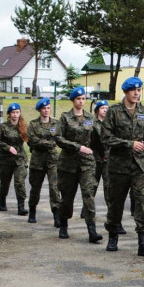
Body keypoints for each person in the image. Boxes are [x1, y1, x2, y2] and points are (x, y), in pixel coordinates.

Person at [101, 77, 144, 256]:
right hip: (118, 166)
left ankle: (143, 241)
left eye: (139, 90)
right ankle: (113, 236)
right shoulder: (113, 112)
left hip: (140, 165)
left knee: (143, 200)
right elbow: (106, 138)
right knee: (116, 203)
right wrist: (129, 143)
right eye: (133, 90)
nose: (137, 93)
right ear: (125, 92)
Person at [54, 86, 104, 243]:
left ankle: (92, 230)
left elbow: (97, 137)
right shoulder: (64, 118)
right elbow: (58, 138)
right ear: (73, 100)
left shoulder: (90, 118)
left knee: (88, 195)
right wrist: (78, 147)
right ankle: (63, 225)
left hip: (87, 164)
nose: (81, 102)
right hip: (68, 164)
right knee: (67, 198)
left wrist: (102, 154)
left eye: (83, 99)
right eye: (78, 99)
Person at [26, 97, 61, 226]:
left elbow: (59, 138)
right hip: (37, 161)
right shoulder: (33, 124)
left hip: (52, 161)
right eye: (44, 108)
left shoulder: (56, 124)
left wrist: (47, 143)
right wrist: (49, 143)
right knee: (35, 188)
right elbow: (33, 140)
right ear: (39, 110)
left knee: (54, 188)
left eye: (48, 108)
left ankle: (56, 215)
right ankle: (32, 210)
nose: (46, 110)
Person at [0, 102, 29, 215]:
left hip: (20, 159)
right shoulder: (3, 127)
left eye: (17, 112)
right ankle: (2, 200)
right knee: (5, 182)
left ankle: (21, 206)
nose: (15, 115)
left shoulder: (23, 126)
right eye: (13, 112)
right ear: (9, 114)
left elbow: (31, 139)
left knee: (20, 182)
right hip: (5, 160)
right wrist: (7, 147)